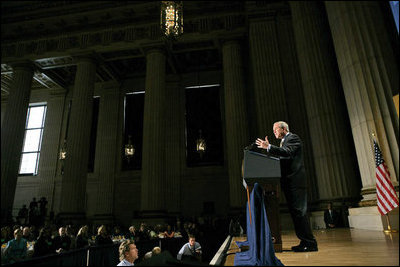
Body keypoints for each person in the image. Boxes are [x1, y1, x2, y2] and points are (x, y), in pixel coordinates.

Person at [255, 121, 318, 252]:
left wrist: (269, 147)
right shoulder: (283, 141)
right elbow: (283, 157)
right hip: (289, 183)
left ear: (283, 129)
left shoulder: (293, 138)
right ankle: (304, 241)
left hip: (296, 182)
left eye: (275, 129)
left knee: (300, 212)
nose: (274, 132)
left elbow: (287, 152)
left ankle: (310, 243)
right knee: (295, 213)